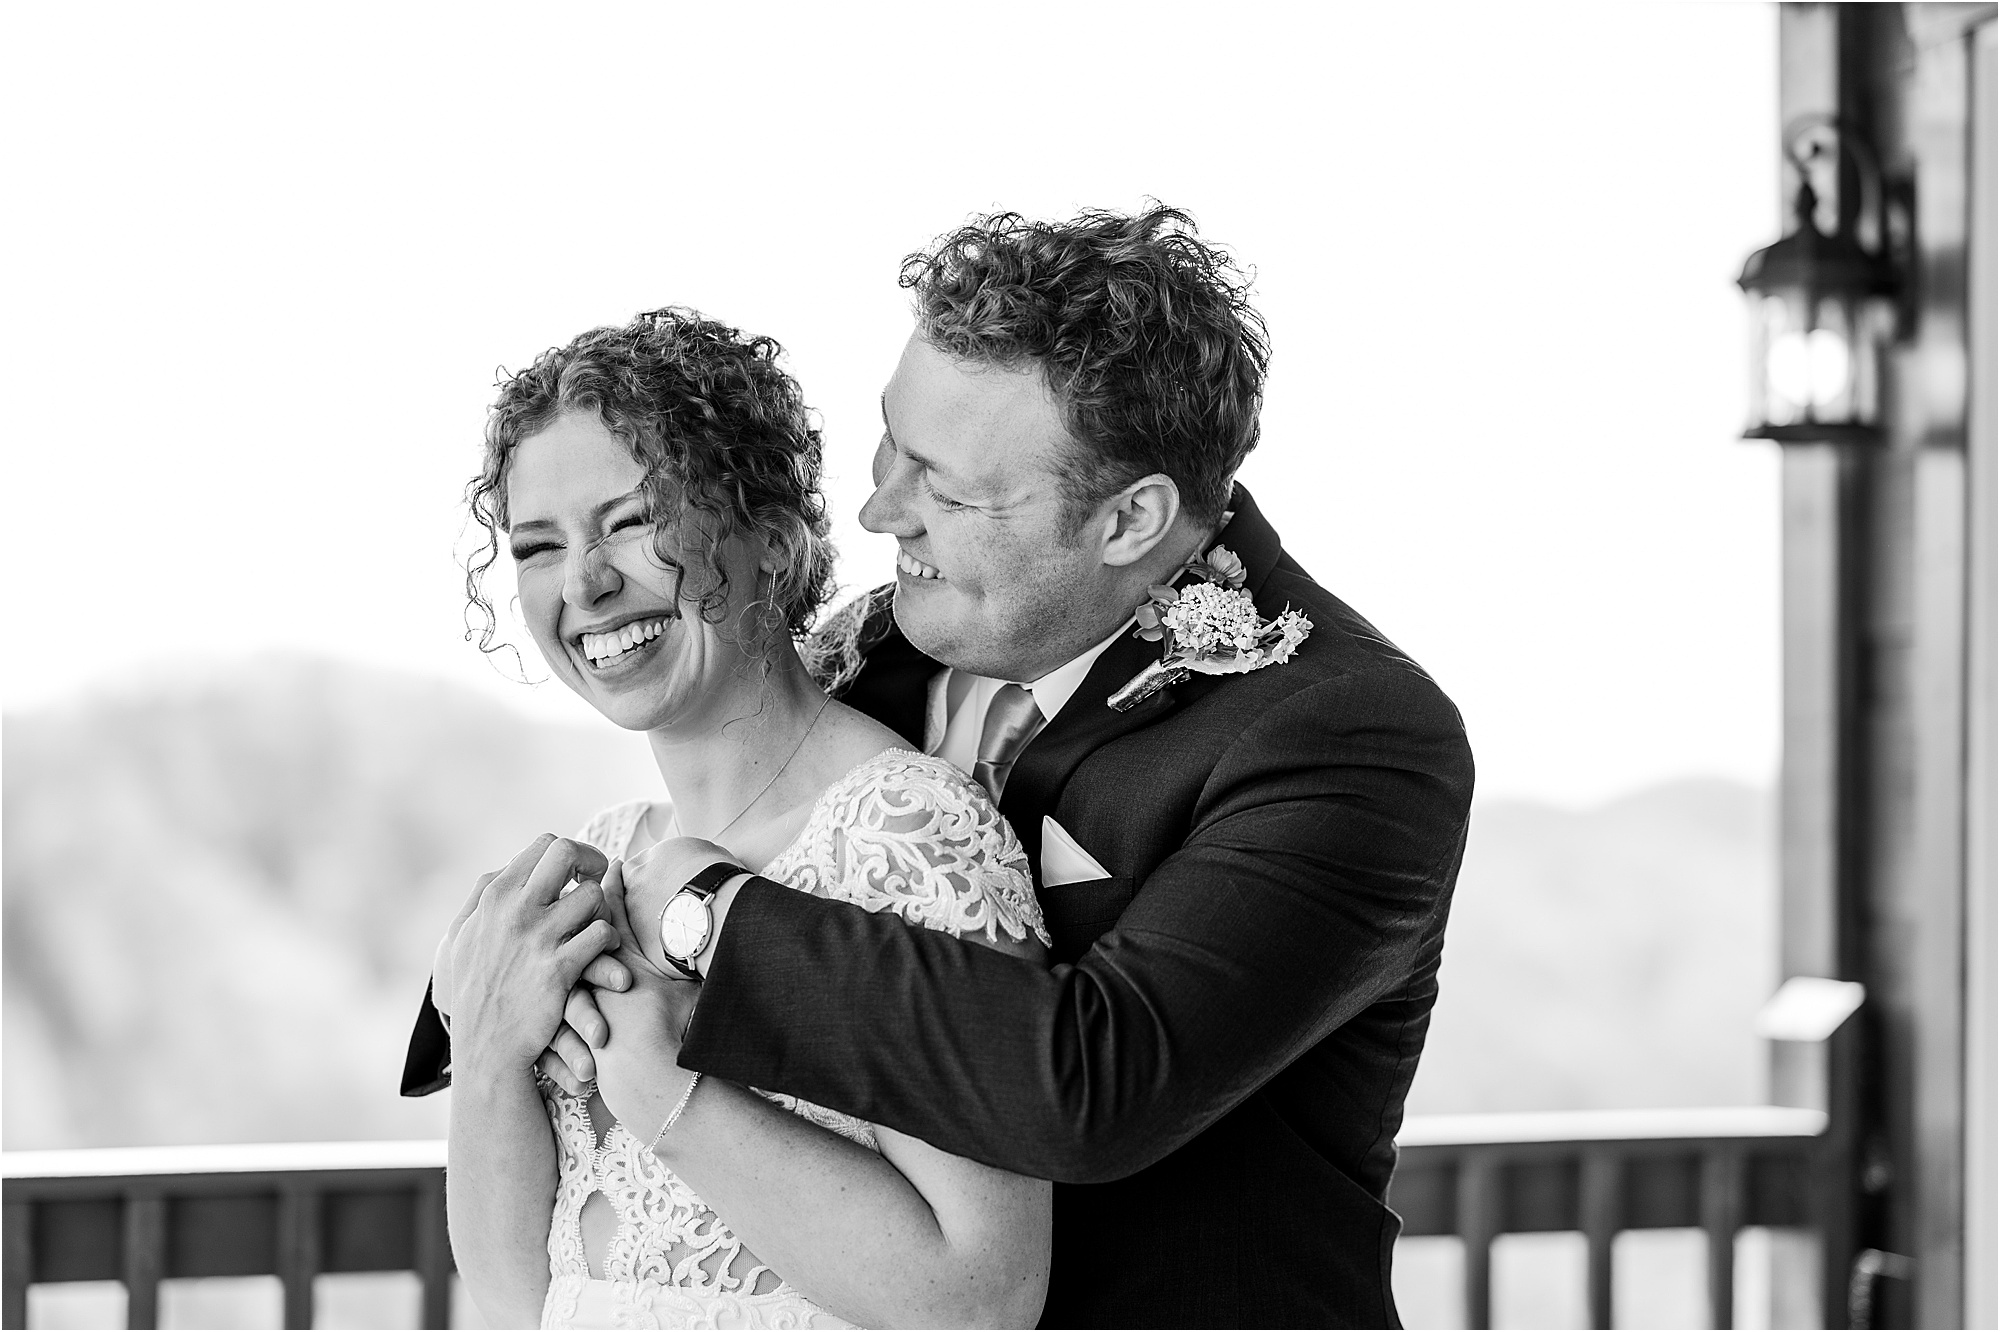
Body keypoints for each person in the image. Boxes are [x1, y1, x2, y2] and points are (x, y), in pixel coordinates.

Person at [420, 309, 1053, 1329]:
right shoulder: (610, 851)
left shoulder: (903, 833)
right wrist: (490, 1052)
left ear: (773, 540)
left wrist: (671, 1094)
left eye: (629, 522)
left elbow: (980, 1303)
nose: (583, 583)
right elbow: (513, 1304)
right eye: (538, 546)